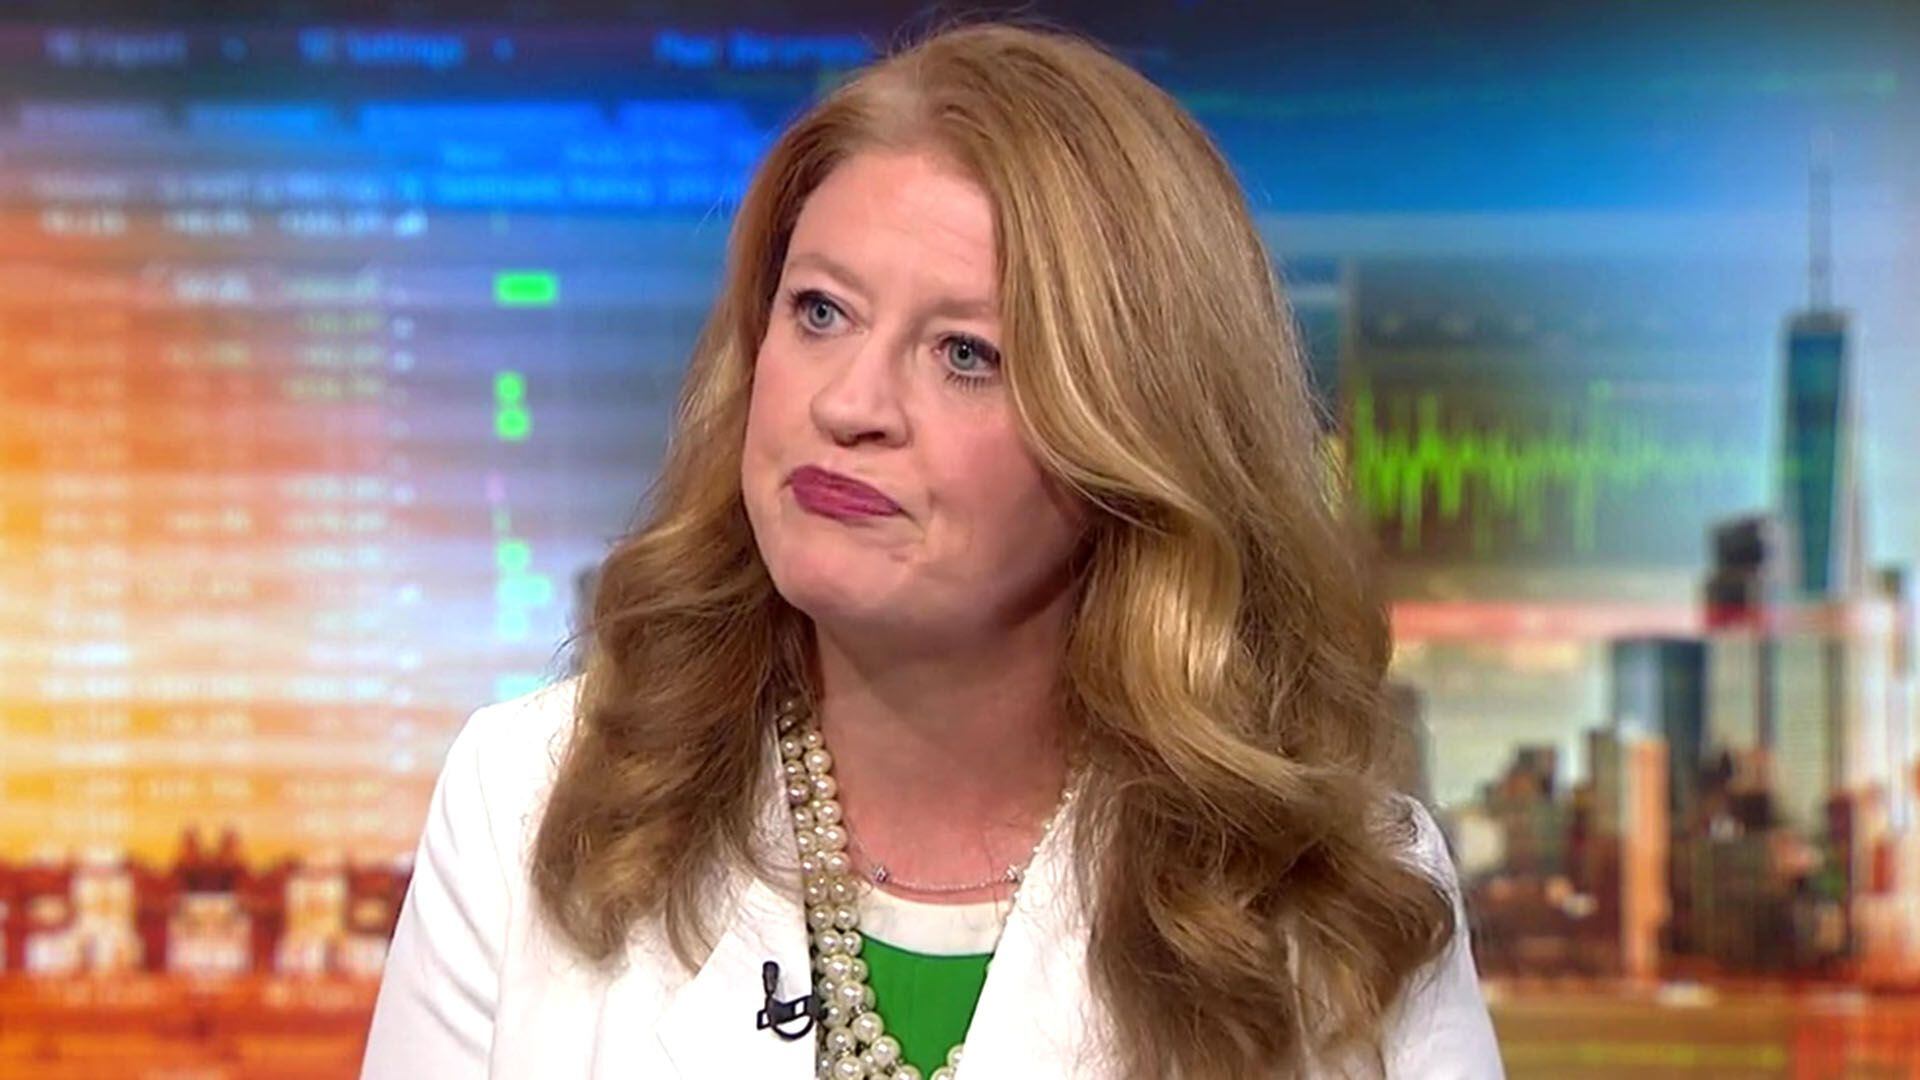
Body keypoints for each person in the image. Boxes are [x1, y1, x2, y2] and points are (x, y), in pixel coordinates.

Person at [361, 21, 1504, 1080]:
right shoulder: (524, 804)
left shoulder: (1344, 893)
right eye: (820, 312)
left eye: (965, 353)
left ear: (1133, 435)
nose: (849, 403)